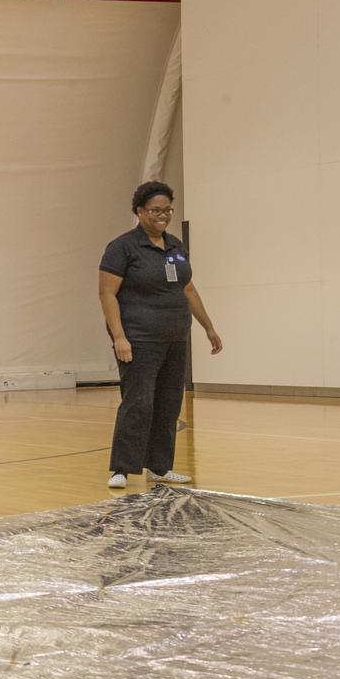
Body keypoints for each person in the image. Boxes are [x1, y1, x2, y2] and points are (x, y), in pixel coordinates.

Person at [98, 180, 222, 489]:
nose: (162, 216)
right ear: (139, 211)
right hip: (139, 339)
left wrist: (208, 327)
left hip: (175, 337)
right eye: (155, 210)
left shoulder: (175, 246)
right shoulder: (122, 247)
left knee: (168, 403)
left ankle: (160, 466)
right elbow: (106, 294)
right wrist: (119, 337)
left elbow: (188, 288)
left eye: (167, 210)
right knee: (138, 403)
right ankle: (122, 469)